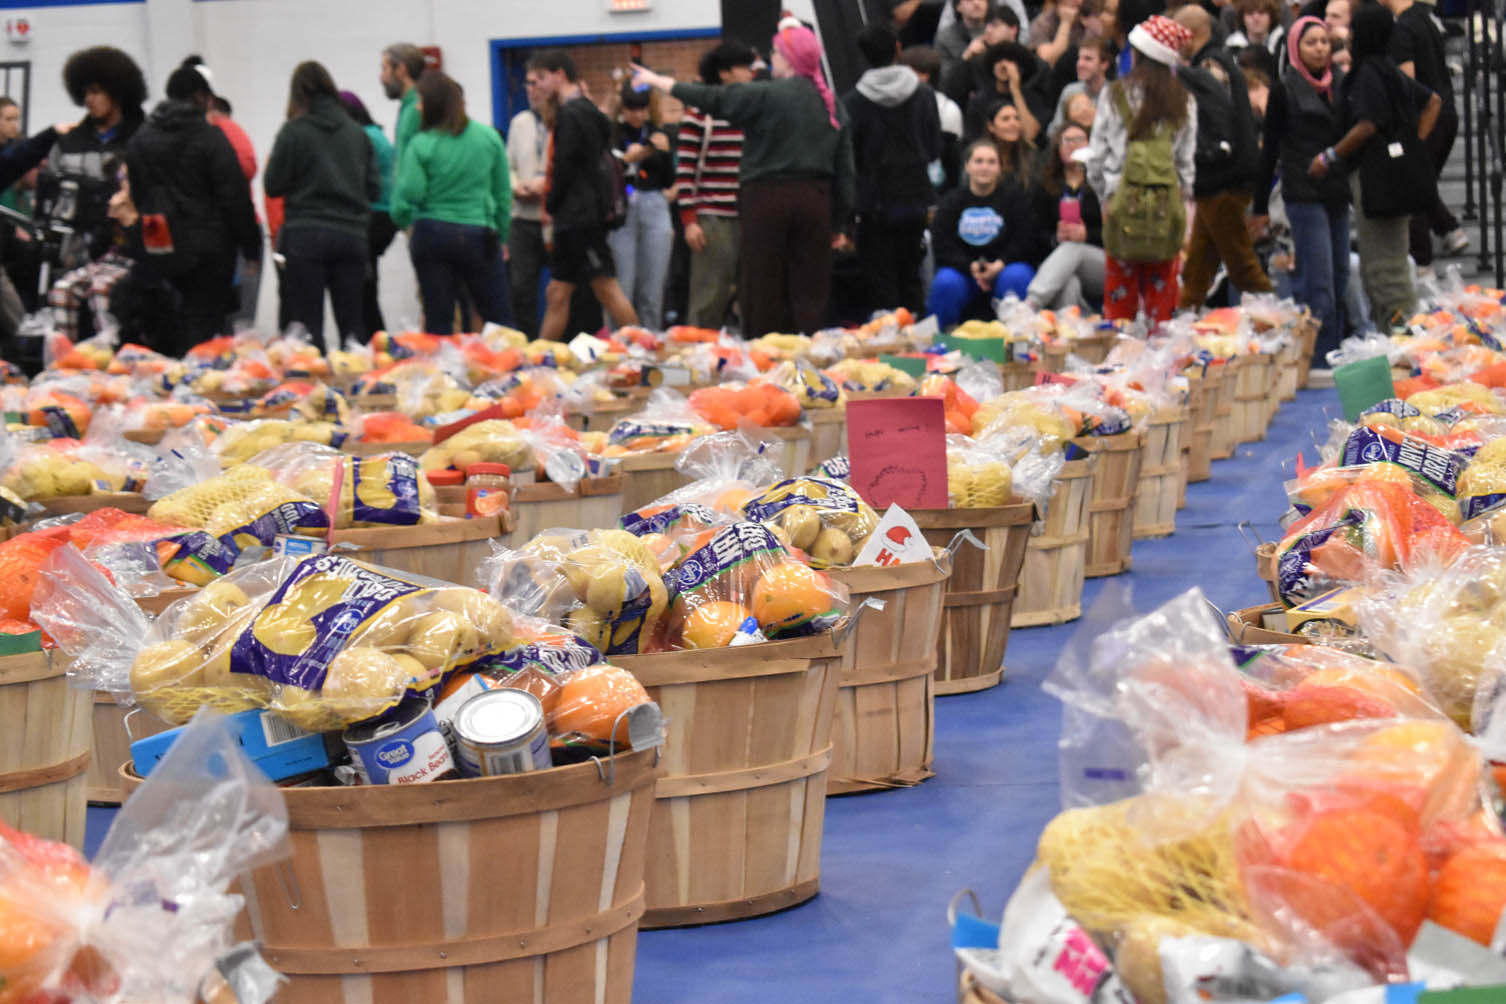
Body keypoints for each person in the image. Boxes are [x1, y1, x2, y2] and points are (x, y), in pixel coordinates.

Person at [632, 19, 857, 337]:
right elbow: (846, 169)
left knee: (763, 288)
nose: (770, 59)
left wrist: (658, 81)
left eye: (776, 53)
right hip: (815, 202)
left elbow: (712, 98)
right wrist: (839, 223)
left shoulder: (764, 94)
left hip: (764, 201)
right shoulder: (831, 103)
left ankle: (765, 362)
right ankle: (808, 360)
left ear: (790, 58)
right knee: (810, 290)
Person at [1316, 3, 1440, 329]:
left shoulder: (1369, 73)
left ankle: (1402, 339)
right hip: (1390, 177)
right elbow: (1433, 102)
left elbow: (1367, 125)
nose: (1350, 37)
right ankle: (1393, 334)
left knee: (1385, 267)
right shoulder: (1388, 69)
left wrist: (1329, 156)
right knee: (1385, 262)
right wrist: (1413, 147)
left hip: (1377, 180)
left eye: (1355, 31)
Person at [124, 62, 261, 355]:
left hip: (158, 243)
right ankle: (192, 388)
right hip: (208, 249)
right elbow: (234, 196)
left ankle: (168, 385)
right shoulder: (210, 138)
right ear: (201, 97)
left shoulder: (140, 139)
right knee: (201, 325)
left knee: (166, 320)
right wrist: (251, 247)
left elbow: (137, 194)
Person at [1086, 14, 1197, 326]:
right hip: (1165, 206)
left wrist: (1105, 197)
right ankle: (1162, 364)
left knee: (1120, 294)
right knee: (1163, 294)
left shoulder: (1114, 94)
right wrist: (1183, 210)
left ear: (1138, 53)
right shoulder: (1185, 101)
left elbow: (1097, 156)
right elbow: (1186, 166)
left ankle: (1120, 362)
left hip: (1121, 203)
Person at [1251, 17, 1350, 362]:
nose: (1321, 48)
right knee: (1318, 281)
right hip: (1303, 193)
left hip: (1337, 191)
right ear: (1296, 48)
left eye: (1325, 41)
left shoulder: (1341, 83)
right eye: (1311, 42)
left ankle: (1335, 350)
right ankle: (1318, 356)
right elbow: (1270, 152)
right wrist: (1260, 207)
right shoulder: (1283, 89)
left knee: (1340, 277)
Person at [263, 62, 378, 351]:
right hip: (351, 235)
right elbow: (374, 188)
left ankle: (313, 392)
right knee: (353, 327)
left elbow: (273, 184)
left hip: (305, 235)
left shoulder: (293, 132)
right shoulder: (357, 133)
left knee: (307, 329)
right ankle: (360, 387)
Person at [389, 71, 511, 335]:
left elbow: (412, 192)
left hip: (432, 235)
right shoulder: (488, 137)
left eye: (421, 101)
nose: (418, 107)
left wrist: (404, 215)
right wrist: (501, 235)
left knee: (439, 320)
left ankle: (443, 374)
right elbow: (503, 194)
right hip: (479, 235)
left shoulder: (422, 144)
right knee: (497, 318)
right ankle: (507, 371)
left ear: (434, 104)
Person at [530, 49, 639, 341]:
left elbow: (564, 167)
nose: (536, 86)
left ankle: (642, 349)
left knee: (605, 288)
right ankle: (541, 358)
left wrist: (551, 203)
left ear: (559, 75)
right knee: (558, 292)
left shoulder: (572, 115)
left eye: (540, 78)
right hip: (581, 217)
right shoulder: (587, 112)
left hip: (580, 219)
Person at [41, 47, 148, 341]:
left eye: (97, 91)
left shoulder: (143, 138)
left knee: (105, 298)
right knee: (63, 295)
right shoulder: (69, 142)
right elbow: (49, 191)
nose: (88, 99)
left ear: (118, 91)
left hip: (128, 248)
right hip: (77, 251)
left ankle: (113, 361)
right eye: (84, 92)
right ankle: (64, 365)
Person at [1174, 4, 1272, 309]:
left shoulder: (1209, 68)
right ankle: (1183, 319)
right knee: (1198, 268)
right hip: (1220, 179)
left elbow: (1218, 120)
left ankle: (1279, 326)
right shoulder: (1223, 61)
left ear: (1189, 34)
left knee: (1242, 266)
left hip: (1223, 178)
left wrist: (1207, 154)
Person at [844, 23, 942, 315]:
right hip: (915, 199)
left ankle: (889, 350)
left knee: (881, 284)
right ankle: (920, 350)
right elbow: (935, 148)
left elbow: (851, 159)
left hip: (873, 204)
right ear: (898, 48)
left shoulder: (852, 101)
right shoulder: (924, 95)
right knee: (912, 276)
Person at [675, 41, 755, 331]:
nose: (751, 73)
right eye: (744, 67)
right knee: (709, 296)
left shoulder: (751, 109)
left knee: (752, 295)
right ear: (725, 74)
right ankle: (696, 358)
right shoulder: (700, 113)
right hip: (712, 217)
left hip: (750, 214)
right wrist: (689, 221)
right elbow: (684, 169)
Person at [1385, 0, 1469, 269]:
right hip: (1446, 114)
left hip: (1428, 117)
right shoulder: (1424, 20)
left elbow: (1407, 85)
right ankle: (1449, 230)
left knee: (1412, 187)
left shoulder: (1403, 29)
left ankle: (1422, 264)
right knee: (1422, 181)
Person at [926, 140, 1036, 325]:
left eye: (991, 162)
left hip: (1004, 268)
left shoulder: (1015, 198)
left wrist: (1000, 265)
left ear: (1000, 168)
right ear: (967, 166)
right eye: (979, 161)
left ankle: (1018, 339)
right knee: (946, 283)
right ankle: (941, 342)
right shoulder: (951, 201)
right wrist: (970, 267)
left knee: (1018, 276)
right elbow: (942, 243)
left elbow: (1026, 238)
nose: (984, 167)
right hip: (964, 271)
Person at [608, 83, 676, 330]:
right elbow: (603, 173)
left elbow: (669, 180)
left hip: (655, 204)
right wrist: (626, 160)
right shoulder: (611, 133)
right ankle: (619, 346)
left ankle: (651, 345)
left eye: (641, 109)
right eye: (631, 109)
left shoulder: (659, 133)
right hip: (622, 207)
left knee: (653, 288)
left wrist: (666, 154)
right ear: (622, 109)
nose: (636, 115)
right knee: (621, 287)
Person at [1027, 122, 1105, 309]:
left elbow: (1119, 233)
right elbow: (1033, 234)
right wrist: (1055, 239)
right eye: (1067, 140)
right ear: (1057, 148)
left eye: (1080, 140)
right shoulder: (1043, 186)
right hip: (1058, 264)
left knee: (1074, 246)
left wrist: (1087, 235)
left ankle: (1030, 305)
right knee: (1069, 283)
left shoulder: (1103, 183)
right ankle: (1070, 329)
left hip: (1101, 262)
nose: (1074, 145)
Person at [338, 90, 396, 339]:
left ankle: (369, 341)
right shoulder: (375, 133)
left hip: (373, 216)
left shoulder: (363, 137)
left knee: (362, 288)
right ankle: (374, 338)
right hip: (384, 216)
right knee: (367, 286)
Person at [506, 63, 553, 336]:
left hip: (552, 218)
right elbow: (509, 164)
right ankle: (527, 349)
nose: (532, 90)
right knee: (521, 289)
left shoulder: (562, 119)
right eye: (528, 84)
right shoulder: (519, 122)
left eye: (537, 83)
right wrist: (517, 186)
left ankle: (560, 347)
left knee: (559, 290)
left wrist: (545, 186)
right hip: (523, 217)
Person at [960, 42, 1046, 143]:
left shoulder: (1033, 99)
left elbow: (1031, 135)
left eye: (1010, 61)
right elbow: (973, 139)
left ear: (1022, 68)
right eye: (998, 60)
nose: (1003, 65)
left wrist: (1016, 91)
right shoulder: (979, 101)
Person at [938, 0, 1033, 76]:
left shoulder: (999, 31)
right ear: (958, 6)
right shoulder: (946, 37)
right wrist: (967, 56)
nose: (976, 3)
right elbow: (945, 80)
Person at [1046, 35, 1114, 134]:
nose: (1080, 64)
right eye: (1079, 58)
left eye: (1088, 59)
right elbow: (1053, 131)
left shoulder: (1116, 94)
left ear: (1104, 65)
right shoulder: (1070, 91)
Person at [380, 43, 427, 175]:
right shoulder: (409, 107)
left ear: (401, 69)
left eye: (384, 69)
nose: (381, 77)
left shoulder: (415, 109)